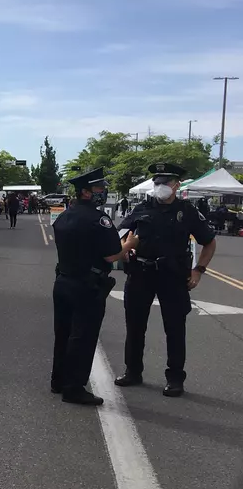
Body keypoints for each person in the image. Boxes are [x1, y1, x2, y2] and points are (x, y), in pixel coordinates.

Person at [114, 163, 217, 397]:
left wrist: (199, 269)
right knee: (135, 325)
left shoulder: (187, 211)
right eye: (157, 182)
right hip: (141, 273)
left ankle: (175, 378)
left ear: (176, 184)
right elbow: (119, 236)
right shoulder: (141, 208)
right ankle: (133, 371)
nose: (160, 187)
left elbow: (209, 241)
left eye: (166, 182)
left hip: (172, 275)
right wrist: (125, 248)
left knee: (175, 328)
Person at [52, 168, 139, 405]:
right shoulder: (98, 219)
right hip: (86, 285)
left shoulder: (64, 216)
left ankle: (58, 381)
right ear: (86, 193)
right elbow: (112, 256)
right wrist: (129, 244)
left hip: (63, 281)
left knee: (63, 334)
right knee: (82, 337)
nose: (104, 192)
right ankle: (74, 388)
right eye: (99, 189)